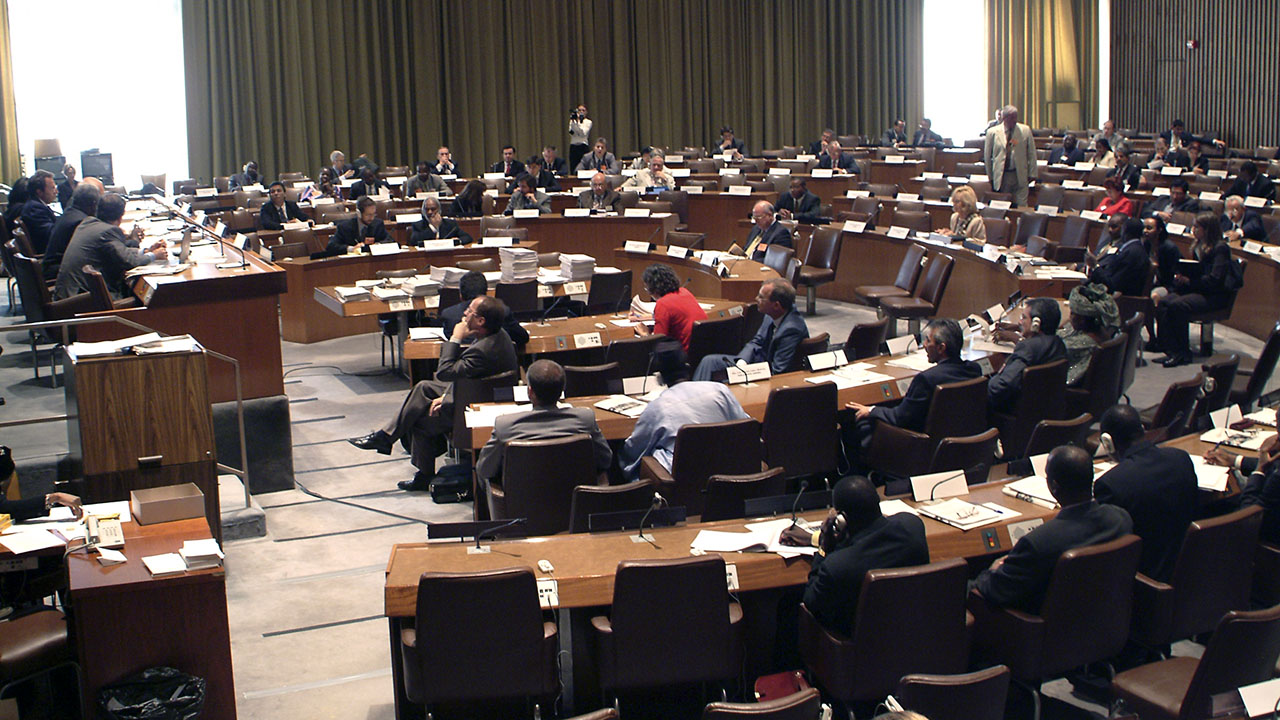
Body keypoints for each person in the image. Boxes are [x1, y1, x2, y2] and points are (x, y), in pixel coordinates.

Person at [349, 296, 519, 491]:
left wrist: (456, 338)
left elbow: (445, 372)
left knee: (419, 421)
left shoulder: (481, 350)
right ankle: (386, 436)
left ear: (481, 321)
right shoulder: (500, 336)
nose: (464, 314)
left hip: (474, 407)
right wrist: (446, 396)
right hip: (478, 394)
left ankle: (421, 473)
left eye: (470, 312)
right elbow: (469, 377)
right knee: (423, 388)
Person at [970, 445, 1132, 613]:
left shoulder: (1038, 543)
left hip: (1038, 628)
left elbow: (997, 590)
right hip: (1103, 619)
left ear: (1054, 486)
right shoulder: (1121, 519)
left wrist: (990, 572)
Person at [779, 475, 929, 637]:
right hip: (914, 635)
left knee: (788, 604)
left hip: (859, 649)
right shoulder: (914, 526)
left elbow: (811, 601)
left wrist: (824, 548)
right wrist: (815, 538)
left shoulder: (837, 565)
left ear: (841, 519)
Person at [843, 319, 981, 454]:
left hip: (919, 447)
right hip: (961, 443)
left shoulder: (926, 379)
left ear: (941, 348)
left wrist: (871, 410)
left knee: (860, 423)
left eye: (928, 340)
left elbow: (900, 417)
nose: (925, 344)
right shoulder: (974, 370)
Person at [1093, 404, 1198, 582]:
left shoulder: (1110, 483)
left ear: (1108, 443)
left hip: (1143, 582)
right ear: (1142, 429)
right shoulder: (1181, 458)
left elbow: (1107, 545)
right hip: (1189, 572)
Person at [618, 341, 750, 480]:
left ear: (659, 378)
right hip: (732, 476)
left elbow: (633, 453)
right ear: (688, 368)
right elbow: (745, 429)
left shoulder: (657, 409)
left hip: (685, 486)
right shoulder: (721, 391)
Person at [474, 360, 611, 487]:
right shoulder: (585, 419)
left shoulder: (505, 426)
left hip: (521, 504)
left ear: (530, 391)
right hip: (577, 501)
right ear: (562, 389)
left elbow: (485, 470)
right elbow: (605, 459)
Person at [1154, 213, 1238, 367]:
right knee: (1164, 302)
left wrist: (1190, 281)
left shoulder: (1220, 248)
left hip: (1214, 296)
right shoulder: (1198, 246)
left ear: (1207, 230)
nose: (1193, 230)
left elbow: (1215, 280)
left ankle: (1183, 354)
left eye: (1196, 227)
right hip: (1199, 290)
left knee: (1178, 305)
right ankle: (1170, 349)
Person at [55, 193, 166, 300]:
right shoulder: (109, 231)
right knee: (149, 299)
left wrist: (145, 251)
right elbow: (129, 261)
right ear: (120, 217)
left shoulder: (87, 222)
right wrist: (154, 255)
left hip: (68, 294)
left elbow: (119, 251)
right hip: (82, 300)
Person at [693, 279, 808, 380]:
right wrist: (742, 361)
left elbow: (778, 372)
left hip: (766, 373)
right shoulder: (771, 313)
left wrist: (747, 374)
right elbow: (756, 341)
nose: (756, 299)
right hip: (755, 363)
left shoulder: (792, 329)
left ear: (776, 305)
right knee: (709, 361)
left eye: (761, 297)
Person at [987, 297, 1067, 413]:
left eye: (1024, 317)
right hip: (1047, 409)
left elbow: (1001, 387)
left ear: (1036, 324)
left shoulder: (1027, 348)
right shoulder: (1058, 343)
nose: (1020, 322)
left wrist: (988, 383)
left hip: (1018, 414)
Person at [1207, 435, 1280, 544]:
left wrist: (1259, 469)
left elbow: (1249, 515)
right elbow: (1274, 464)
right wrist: (1235, 460)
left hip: (1264, 541)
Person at [437, 270, 529, 344]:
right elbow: (523, 338)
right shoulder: (502, 311)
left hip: (461, 364)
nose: (465, 313)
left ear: (460, 296)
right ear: (486, 293)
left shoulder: (449, 314)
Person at [631, 263, 706, 350]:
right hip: (701, 350)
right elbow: (675, 315)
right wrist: (643, 317)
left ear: (653, 288)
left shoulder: (663, 304)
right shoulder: (685, 292)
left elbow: (658, 343)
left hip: (684, 355)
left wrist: (645, 334)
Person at [1057, 283, 1119, 386]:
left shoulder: (1082, 342)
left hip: (1071, 392)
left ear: (1082, 319)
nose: (1069, 317)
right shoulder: (1100, 330)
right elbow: (1064, 332)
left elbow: (1052, 348)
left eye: (1073, 313)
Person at [43, 178, 103, 281]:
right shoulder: (81, 222)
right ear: (94, 204)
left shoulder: (70, 213)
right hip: (61, 273)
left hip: (55, 266)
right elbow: (100, 250)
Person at [983, 105, 1036, 207]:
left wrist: (1032, 174)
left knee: (1021, 205)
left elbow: (1032, 154)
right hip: (1002, 175)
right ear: (1004, 118)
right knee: (1002, 205)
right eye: (1012, 118)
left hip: (1019, 174)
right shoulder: (992, 132)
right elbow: (987, 157)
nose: (1014, 120)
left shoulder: (1025, 130)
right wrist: (990, 176)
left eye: (1015, 117)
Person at [1090, 218, 1148, 297]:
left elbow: (1113, 284)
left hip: (1120, 298)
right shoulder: (1133, 248)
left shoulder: (1131, 253)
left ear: (1125, 231)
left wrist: (1095, 267)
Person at [20, 170, 58, 254]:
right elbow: (52, 234)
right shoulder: (34, 208)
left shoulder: (35, 205)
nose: (56, 192)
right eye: (52, 188)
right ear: (39, 192)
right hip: (48, 257)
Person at [568, 104, 593, 170]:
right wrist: (575, 121)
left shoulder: (588, 122)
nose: (581, 112)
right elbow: (571, 132)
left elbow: (583, 133)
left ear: (586, 112)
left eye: (583, 110)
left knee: (584, 166)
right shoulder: (572, 121)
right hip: (574, 146)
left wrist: (577, 124)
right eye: (579, 110)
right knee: (573, 166)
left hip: (583, 146)